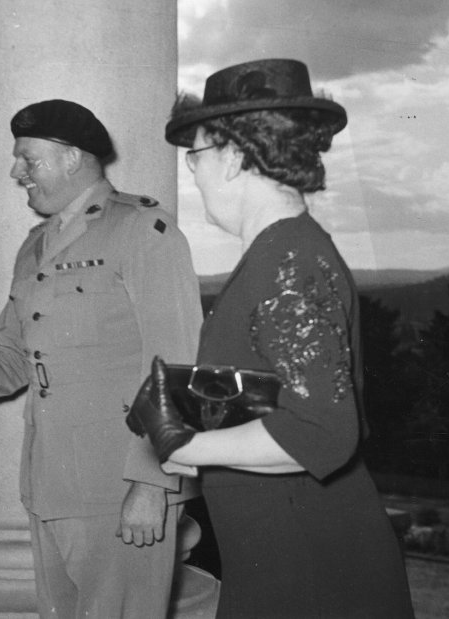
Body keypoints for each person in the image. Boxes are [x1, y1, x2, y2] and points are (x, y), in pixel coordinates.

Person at [126, 59, 416, 617]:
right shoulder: (283, 250)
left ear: (233, 157)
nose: (193, 172)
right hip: (285, 542)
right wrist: (195, 402)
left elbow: (324, 432)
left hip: (303, 558)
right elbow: (284, 390)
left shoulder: (286, 260)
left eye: (197, 154)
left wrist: (183, 445)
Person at [0, 99, 204, 617]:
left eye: (28, 159)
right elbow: (11, 355)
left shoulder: (142, 231)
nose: (16, 172)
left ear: (71, 157)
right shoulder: (36, 247)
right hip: (51, 483)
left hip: (120, 485)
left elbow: (176, 363)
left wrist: (152, 483)